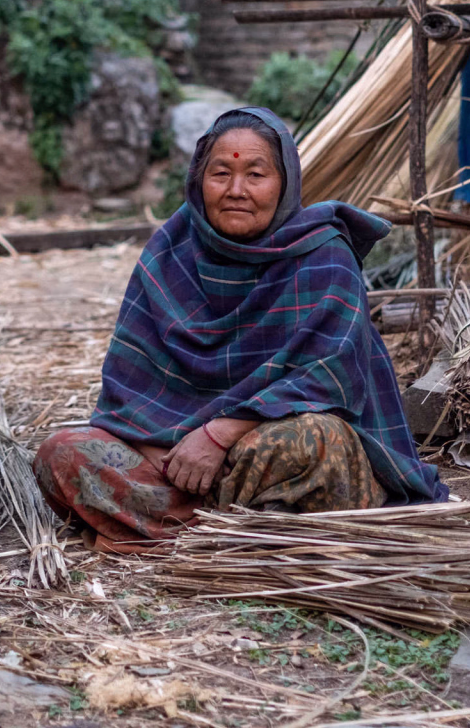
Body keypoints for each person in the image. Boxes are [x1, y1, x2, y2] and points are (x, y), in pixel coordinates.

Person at [34, 106, 444, 551]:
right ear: (197, 181)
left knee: (317, 441)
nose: (236, 190)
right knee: (61, 452)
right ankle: (235, 531)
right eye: (220, 174)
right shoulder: (170, 251)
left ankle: (167, 532)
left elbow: (331, 376)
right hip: (171, 463)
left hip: (267, 448)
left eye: (255, 174)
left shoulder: (324, 254)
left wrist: (218, 435)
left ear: (284, 182)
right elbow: (130, 386)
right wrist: (170, 455)